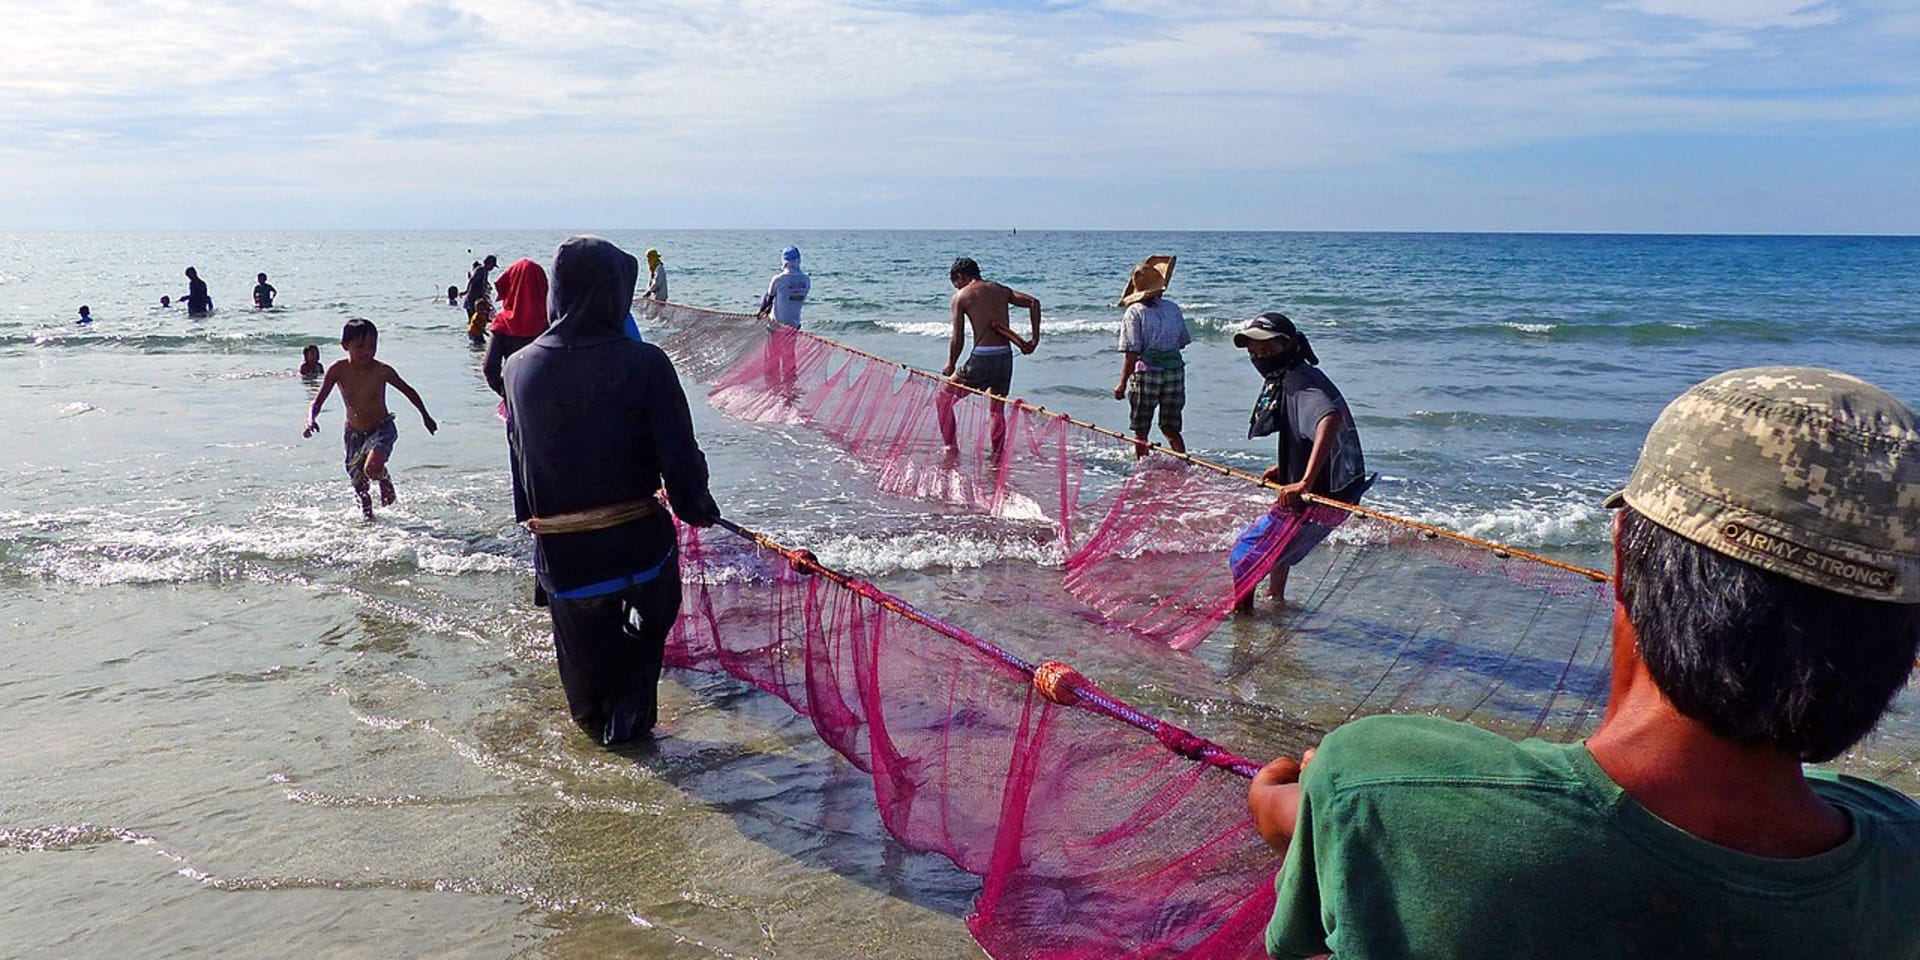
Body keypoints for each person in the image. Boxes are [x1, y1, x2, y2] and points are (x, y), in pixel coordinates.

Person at [1247, 366, 1920, 960]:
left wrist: (1282, 797)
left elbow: (1307, 835)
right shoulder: (1900, 861)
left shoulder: (1380, 782)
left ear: (1622, 554)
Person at [504, 236, 720, 746]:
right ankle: (633, 718)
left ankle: (607, 740)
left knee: (586, 696)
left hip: (563, 561)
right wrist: (697, 507)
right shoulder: (646, 363)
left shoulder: (516, 368)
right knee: (640, 660)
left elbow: (522, 471)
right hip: (638, 554)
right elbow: (681, 465)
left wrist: (542, 553)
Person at [1230, 312, 1367, 609]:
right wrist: (1287, 469)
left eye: (1269, 351)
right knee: (1278, 544)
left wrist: (1304, 481)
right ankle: (1275, 597)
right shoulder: (1293, 374)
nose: (1260, 359)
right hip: (1340, 486)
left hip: (1321, 493)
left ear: (1290, 345)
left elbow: (1329, 419)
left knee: (1244, 553)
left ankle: (1243, 617)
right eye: (1254, 353)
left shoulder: (1297, 380)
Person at [302, 318, 438, 520]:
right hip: (353, 434)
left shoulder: (382, 370)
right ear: (345, 345)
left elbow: (409, 391)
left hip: (382, 428)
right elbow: (318, 400)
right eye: (360, 347)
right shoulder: (338, 370)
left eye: (372, 346)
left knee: (372, 468)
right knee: (360, 487)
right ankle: (371, 524)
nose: (367, 352)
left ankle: (384, 478)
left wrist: (425, 416)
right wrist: (311, 419)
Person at [936, 257, 1041, 454]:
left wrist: (951, 364)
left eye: (955, 283)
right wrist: (1035, 339)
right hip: (1005, 357)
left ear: (960, 277)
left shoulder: (962, 296)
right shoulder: (1000, 289)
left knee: (943, 400)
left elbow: (958, 338)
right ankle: (997, 457)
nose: (956, 288)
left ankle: (950, 449)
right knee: (996, 410)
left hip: (983, 358)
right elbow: (1033, 303)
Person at [1112, 255, 1189, 457]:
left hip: (1148, 375)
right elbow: (1182, 341)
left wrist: (1121, 383)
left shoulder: (1134, 312)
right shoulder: (1173, 308)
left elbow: (1132, 352)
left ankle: (1141, 467)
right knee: (1170, 427)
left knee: (1141, 429)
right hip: (1174, 373)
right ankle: (1184, 462)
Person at [482, 258, 549, 397]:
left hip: (515, 392)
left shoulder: (502, 324)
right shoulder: (550, 324)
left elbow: (489, 368)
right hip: (546, 395)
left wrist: (506, 393)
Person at [756, 246, 811, 391]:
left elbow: (768, 298)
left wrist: (761, 312)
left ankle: (772, 390)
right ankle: (789, 389)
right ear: (798, 260)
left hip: (776, 326)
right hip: (793, 326)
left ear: (784, 261)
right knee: (789, 359)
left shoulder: (778, 279)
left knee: (772, 360)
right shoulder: (806, 280)